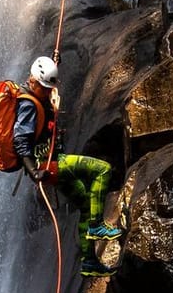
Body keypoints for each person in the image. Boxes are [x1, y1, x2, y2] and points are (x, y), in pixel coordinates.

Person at [15, 56, 121, 277]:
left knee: (83, 201)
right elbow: (20, 142)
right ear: (33, 81)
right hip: (50, 165)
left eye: (48, 88)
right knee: (102, 169)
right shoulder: (27, 104)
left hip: (52, 162)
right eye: (44, 87)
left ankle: (89, 261)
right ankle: (96, 226)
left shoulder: (37, 93)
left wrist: (55, 63)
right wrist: (34, 172)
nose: (47, 92)